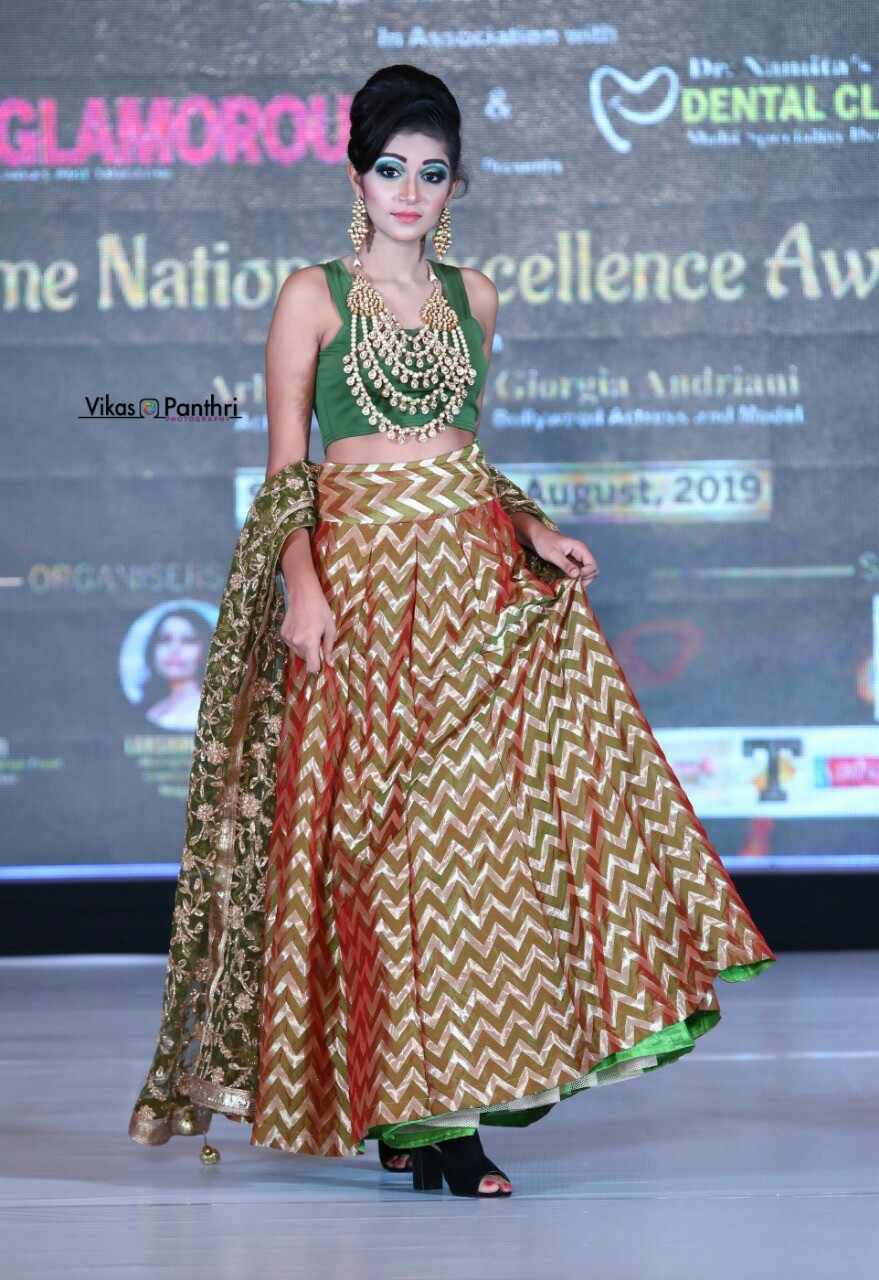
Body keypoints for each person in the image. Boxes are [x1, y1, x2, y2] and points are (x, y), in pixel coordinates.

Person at [128, 64, 776, 1199]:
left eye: (431, 173)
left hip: (473, 597)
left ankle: (450, 1124)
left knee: (464, 854)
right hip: (363, 600)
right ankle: (402, 1106)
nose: (409, 190)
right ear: (356, 176)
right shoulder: (312, 296)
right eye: (390, 168)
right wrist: (303, 588)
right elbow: (287, 473)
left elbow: (465, 456)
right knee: (375, 857)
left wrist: (533, 525)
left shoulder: (476, 296)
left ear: (456, 185)